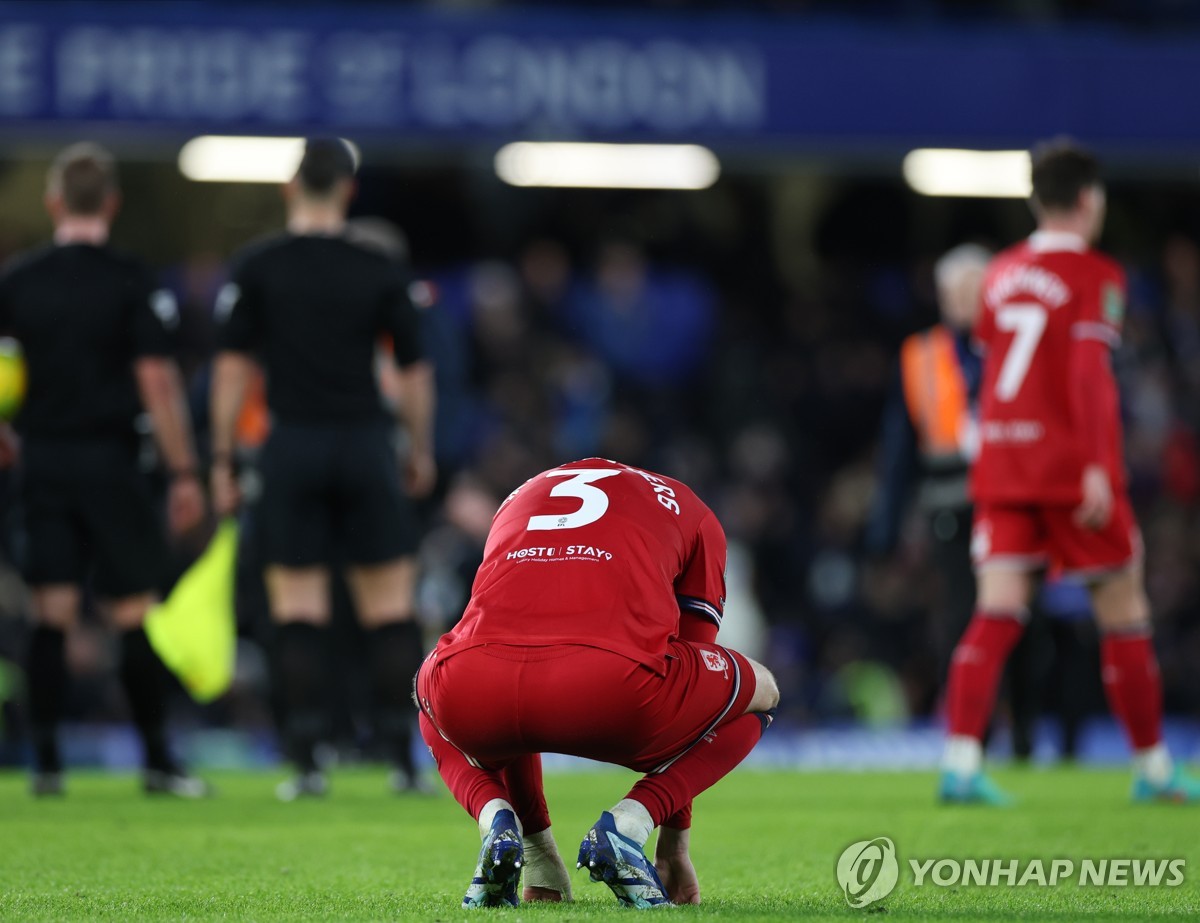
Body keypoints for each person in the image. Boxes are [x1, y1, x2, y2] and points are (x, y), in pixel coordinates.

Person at [938, 138, 1200, 804]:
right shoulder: (1097, 275)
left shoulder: (999, 273)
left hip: (1003, 465)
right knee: (1125, 612)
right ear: (1089, 200)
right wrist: (1096, 467)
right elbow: (1088, 375)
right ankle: (1153, 769)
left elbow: (991, 363)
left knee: (995, 614)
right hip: (1067, 467)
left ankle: (961, 765)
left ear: (1035, 199)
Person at [416, 458, 779, 909]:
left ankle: (503, 826)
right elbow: (691, 663)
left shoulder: (519, 496)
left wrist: (539, 853)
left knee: (426, 694)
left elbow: (510, 631)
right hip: (614, 692)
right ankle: (628, 826)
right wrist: (673, 842)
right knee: (762, 692)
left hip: (474, 686)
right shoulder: (693, 510)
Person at [209, 138, 436, 800]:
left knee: (297, 610)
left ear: (289, 188)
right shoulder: (380, 267)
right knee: (389, 610)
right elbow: (415, 372)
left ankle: (307, 763)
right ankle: (403, 761)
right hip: (365, 443)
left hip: (292, 446)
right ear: (348, 190)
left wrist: (222, 457)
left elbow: (231, 369)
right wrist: (417, 450)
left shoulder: (258, 265)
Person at [0, 142, 207, 796]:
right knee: (130, 611)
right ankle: (156, 761)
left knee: (50, 611)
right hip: (113, 461)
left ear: (54, 201)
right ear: (111, 204)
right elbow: (156, 381)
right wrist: (183, 471)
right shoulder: (131, 278)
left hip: (45, 462)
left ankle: (48, 764)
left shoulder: (19, 280)